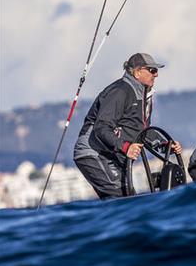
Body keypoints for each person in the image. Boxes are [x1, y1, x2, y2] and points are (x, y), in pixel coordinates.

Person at [73, 53, 182, 199]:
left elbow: (142, 133)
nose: (156, 75)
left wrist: (165, 145)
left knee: (128, 198)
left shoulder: (144, 96)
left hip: (111, 154)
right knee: (124, 196)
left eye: (156, 71)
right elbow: (101, 128)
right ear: (137, 72)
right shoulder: (120, 91)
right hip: (93, 152)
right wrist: (126, 147)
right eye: (152, 70)